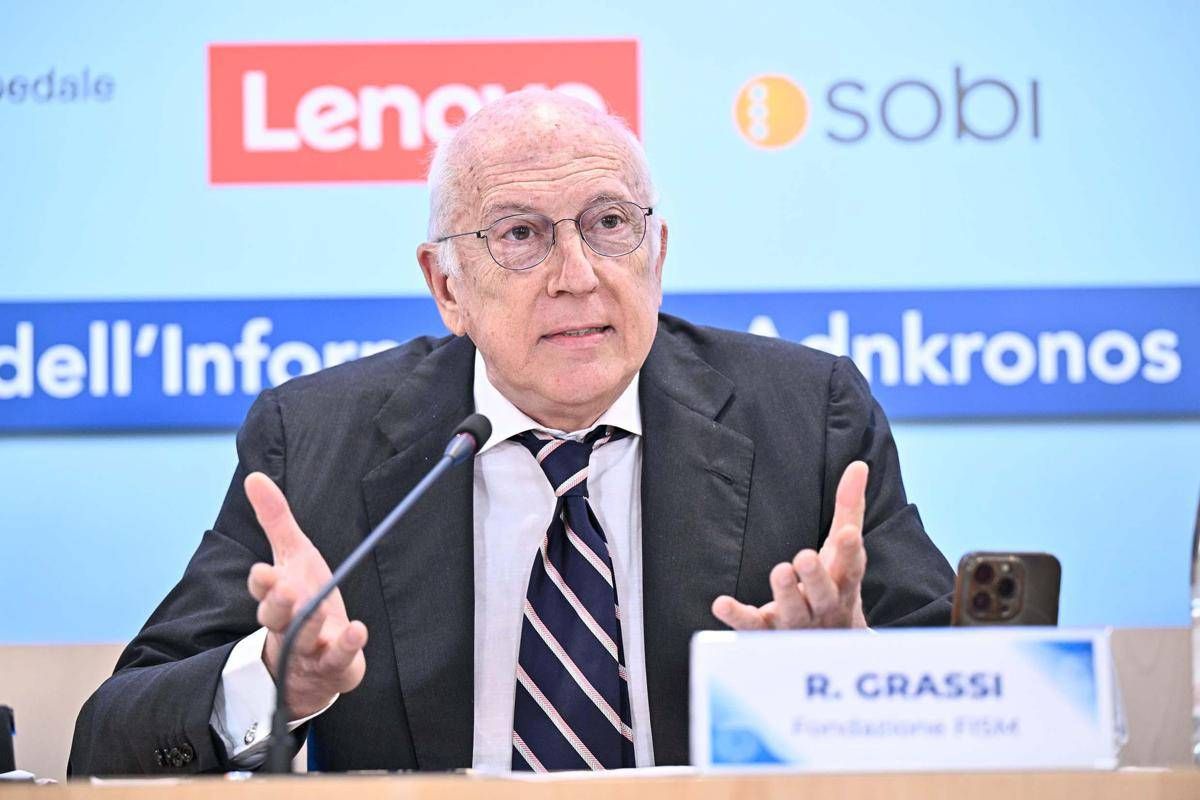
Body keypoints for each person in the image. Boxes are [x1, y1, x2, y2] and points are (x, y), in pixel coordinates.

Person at [68, 89, 954, 776]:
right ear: (447, 287)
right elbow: (110, 738)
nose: (578, 275)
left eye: (610, 224)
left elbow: (979, 696)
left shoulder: (806, 415)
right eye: (521, 235)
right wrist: (277, 678)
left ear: (658, 255)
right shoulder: (316, 440)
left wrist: (855, 675)